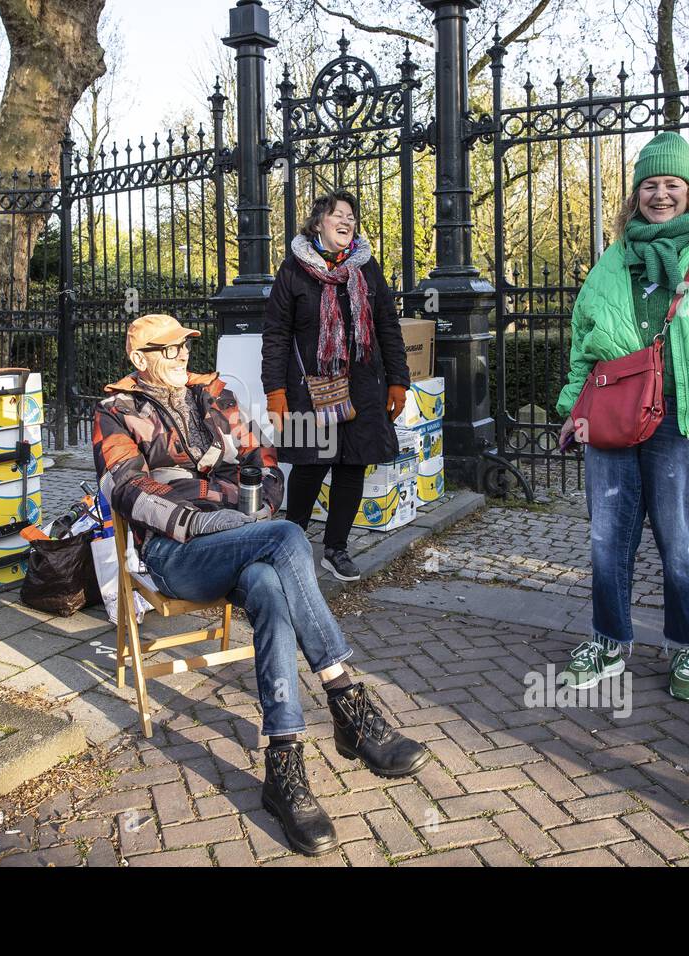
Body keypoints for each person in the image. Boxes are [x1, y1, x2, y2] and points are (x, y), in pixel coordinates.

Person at [94, 312, 428, 856]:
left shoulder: (215, 395)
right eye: (169, 349)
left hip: (244, 535)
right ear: (139, 358)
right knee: (290, 539)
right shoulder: (115, 412)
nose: (182, 357)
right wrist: (206, 521)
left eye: (185, 347)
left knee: (270, 585)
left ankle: (283, 763)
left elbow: (265, 460)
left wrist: (257, 509)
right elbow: (128, 491)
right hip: (177, 553)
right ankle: (349, 700)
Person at [554, 131, 689, 702]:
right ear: (635, 193)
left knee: (681, 540)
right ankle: (608, 641)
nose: (659, 194)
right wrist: (570, 409)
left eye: (671, 184)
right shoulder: (612, 260)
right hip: (612, 418)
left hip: (688, 419)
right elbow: (586, 342)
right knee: (608, 537)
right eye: (649, 184)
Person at [261, 189, 411, 582]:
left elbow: (388, 328)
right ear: (317, 224)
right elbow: (275, 334)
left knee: (352, 466)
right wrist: (274, 392)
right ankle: (288, 541)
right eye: (337, 215)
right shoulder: (293, 270)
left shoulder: (367, 268)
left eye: (351, 216)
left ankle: (336, 548)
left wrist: (398, 380)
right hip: (309, 388)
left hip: (362, 385)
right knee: (311, 465)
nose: (346, 222)